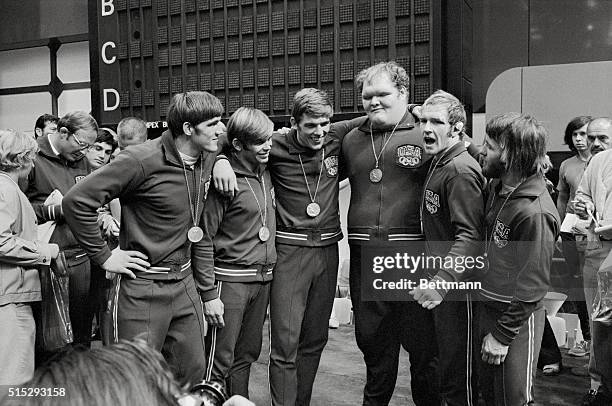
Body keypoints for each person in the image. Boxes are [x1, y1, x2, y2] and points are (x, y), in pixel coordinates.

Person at [62, 91, 230, 386]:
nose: (221, 129)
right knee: (133, 381)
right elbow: (76, 202)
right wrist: (104, 256)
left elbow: (246, 141)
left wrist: (224, 161)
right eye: (213, 123)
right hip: (143, 287)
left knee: (190, 376)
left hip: (185, 283)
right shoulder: (140, 159)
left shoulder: (210, 153)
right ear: (188, 129)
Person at [341, 61, 439, 405]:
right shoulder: (350, 138)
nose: (374, 102)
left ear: (404, 94)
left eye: (383, 94)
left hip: (413, 259)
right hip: (366, 260)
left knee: (424, 354)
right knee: (374, 351)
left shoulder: (426, 132)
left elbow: (468, 157)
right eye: (367, 96)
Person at [479, 112, 559, 405]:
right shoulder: (498, 188)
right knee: (490, 396)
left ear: (509, 155)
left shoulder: (534, 212)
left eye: (488, 145)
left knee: (513, 398)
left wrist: (502, 335)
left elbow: (532, 286)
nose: (481, 150)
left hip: (515, 320)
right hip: (488, 307)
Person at [410, 90, 484, 406]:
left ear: (456, 129)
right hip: (442, 283)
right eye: (423, 121)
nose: (426, 128)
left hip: (458, 288)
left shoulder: (459, 170)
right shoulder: (440, 162)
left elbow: (470, 237)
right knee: (442, 367)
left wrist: (441, 282)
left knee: (459, 375)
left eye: (436, 122)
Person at [201, 107, 276, 399]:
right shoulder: (224, 181)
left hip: (262, 281)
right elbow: (204, 238)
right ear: (238, 145)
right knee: (218, 361)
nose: (268, 146)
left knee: (246, 356)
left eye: (269, 139)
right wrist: (209, 294)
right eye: (260, 142)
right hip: (229, 283)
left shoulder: (267, 172)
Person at [23, 111, 98, 360]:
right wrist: (53, 210)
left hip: (83, 258)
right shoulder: (31, 157)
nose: (84, 152)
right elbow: (16, 209)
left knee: (82, 336)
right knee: (51, 342)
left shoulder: (82, 161)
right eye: (81, 145)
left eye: (90, 147)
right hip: (48, 264)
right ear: (62, 133)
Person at [0, 129, 60, 385]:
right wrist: (44, 251)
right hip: (11, 297)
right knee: (14, 380)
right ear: (20, 158)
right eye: (32, 157)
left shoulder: (8, 188)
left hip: (12, 294)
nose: (34, 163)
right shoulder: (6, 189)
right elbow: (2, 241)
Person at [574, 117, 612, 406]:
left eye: (603, 138)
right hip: (597, 249)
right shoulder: (595, 165)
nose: (595, 143)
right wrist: (584, 207)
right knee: (597, 323)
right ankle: (598, 386)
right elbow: (581, 196)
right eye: (592, 137)